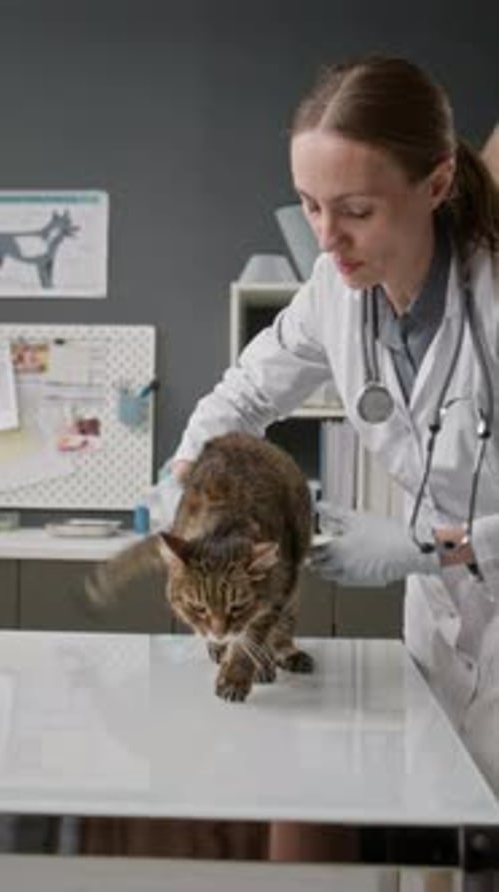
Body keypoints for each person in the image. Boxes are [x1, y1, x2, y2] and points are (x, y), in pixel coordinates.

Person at [158, 55, 499, 798]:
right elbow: (248, 392)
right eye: (310, 205)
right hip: (441, 627)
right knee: (442, 820)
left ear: (437, 183)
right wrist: (182, 476)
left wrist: (433, 548)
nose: (327, 238)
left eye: (356, 211)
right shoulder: (335, 290)